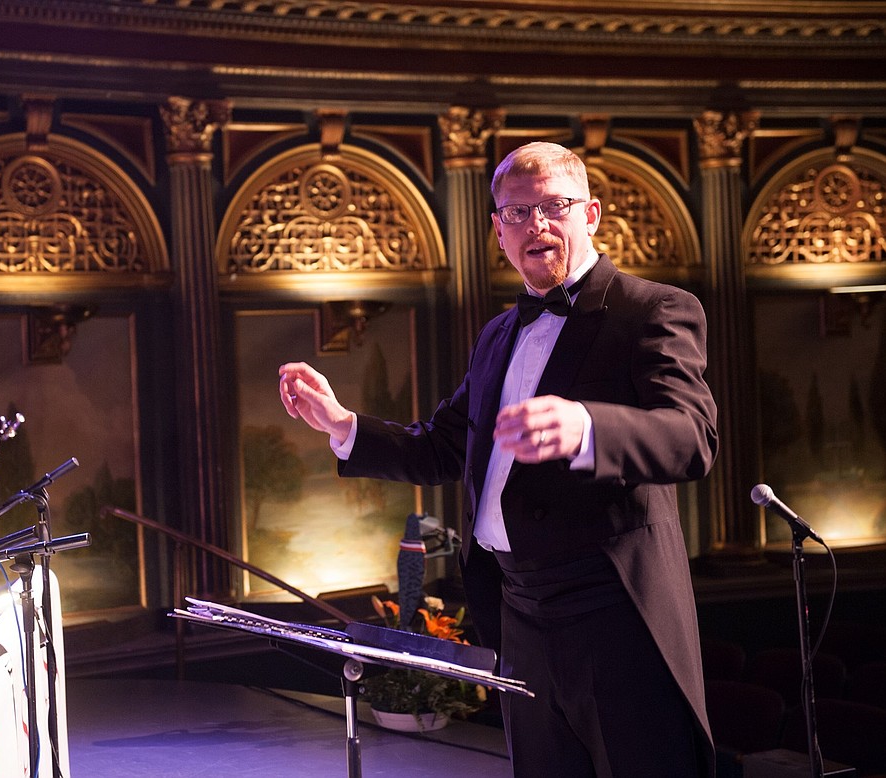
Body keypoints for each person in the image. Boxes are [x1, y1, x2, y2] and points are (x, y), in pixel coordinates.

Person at [279, 141, 718, 777]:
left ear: (590, 214)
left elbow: (692, 436)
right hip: (520, 613)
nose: (535, 225)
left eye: (553, 207)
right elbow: (442, 446)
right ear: (498, 229)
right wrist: (343, 425)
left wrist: (586, 426)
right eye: (517, 213)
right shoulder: (498, 333)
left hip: (613, 614)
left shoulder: (652, 310)